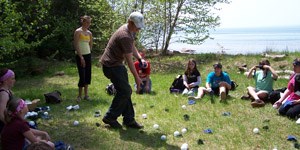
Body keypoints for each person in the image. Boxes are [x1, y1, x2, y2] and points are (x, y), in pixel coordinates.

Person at [99, 12, 145, 129]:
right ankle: (110, 117)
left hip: (117, 64)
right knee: (125, 91)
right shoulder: (124, 35)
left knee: (125, 90)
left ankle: (129, 120)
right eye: (137, 26)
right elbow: (129, 61)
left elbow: (132, 45)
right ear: (130, 22)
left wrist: (139, 58)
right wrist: (137, 78)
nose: (138, 29)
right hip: (111, 66)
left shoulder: (129, 30)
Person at [73, 15, 93, 102]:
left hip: (87, 55)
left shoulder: (89, 33)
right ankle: (79, 95)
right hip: (80, 55)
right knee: (82, 75)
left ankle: (86, 95)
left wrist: (89, 53)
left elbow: (91, 44)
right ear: (83, 22)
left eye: (90, 22)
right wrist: (81, 57)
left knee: (88, 74)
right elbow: (76, 44)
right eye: (87, 22)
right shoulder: (78, 31)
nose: (89, 24)